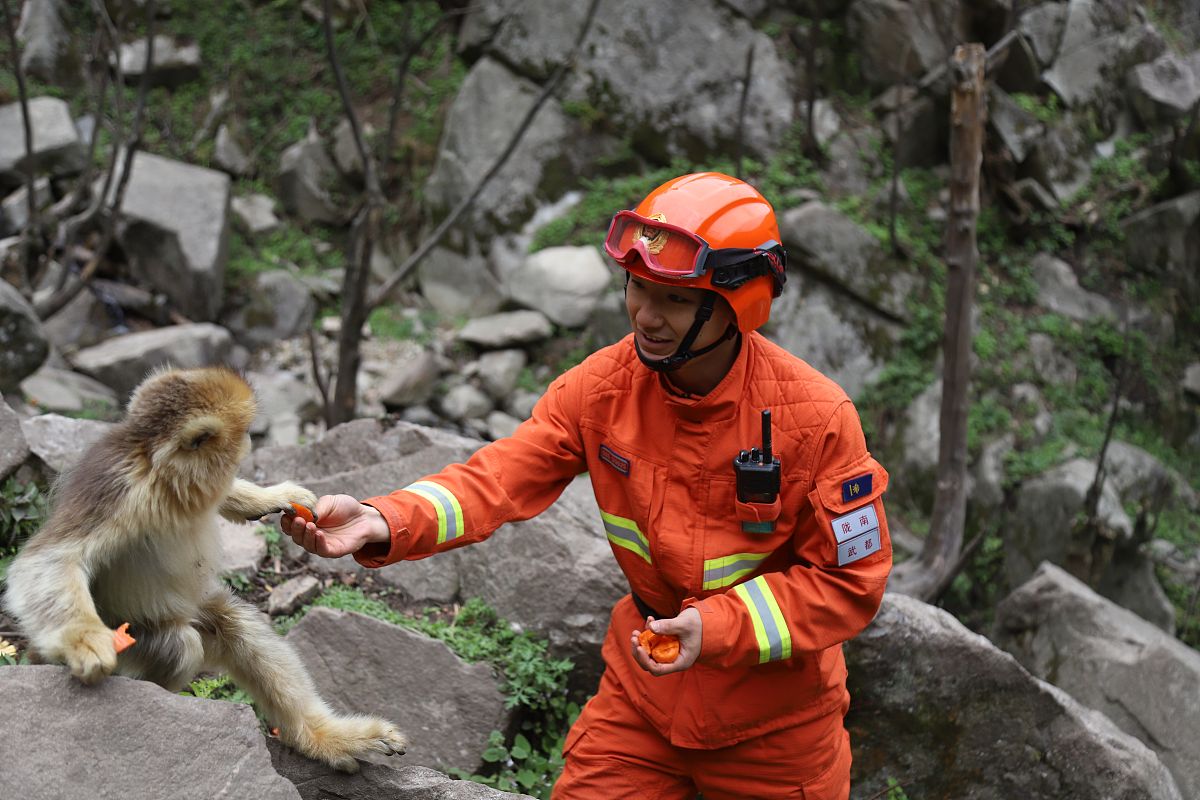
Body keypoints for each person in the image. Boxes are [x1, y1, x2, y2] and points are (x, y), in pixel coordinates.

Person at [281, 172, 893, 799]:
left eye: (676, 300)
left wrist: (718, 626)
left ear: (741, 302)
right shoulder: (601, 388)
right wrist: (386, 518)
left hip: (775, 732)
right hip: (643, 705)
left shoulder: (817, 418)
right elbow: (499, 476)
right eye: (637, 286)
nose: (645, 316)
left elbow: (850, 582)